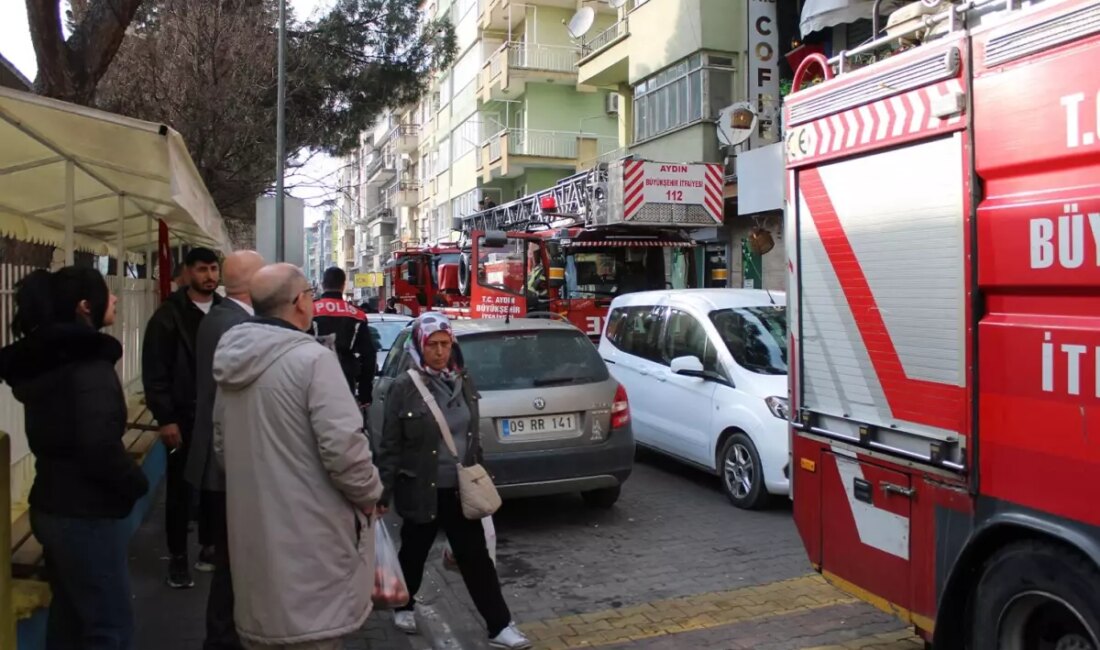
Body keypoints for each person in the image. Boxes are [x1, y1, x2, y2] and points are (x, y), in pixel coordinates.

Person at [212, 263, 383, 650]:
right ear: (299, 303)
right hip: (311, 550)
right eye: (307, 292)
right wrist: (371, 494)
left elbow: (221, 446)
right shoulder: (313, 361)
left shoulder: (230, 360)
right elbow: (346, 451)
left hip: (253, 545)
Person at [0, 267, 149, 649]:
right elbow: (97, 445)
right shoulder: (88, 368)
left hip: (51, 504)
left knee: (69, 621)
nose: (114, 298)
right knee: (109, 627)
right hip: (86, 513)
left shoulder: (49, 364)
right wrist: (134, 482)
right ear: (85, 306)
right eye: (106, 293)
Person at [377, 312, 531, 650]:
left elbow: (473, 437)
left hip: (460, 489)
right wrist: (381, 492)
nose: (440, 351)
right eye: (432, 344)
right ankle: (404, 603)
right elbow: (390, 444)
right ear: (420, 345)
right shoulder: (405, 386)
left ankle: (499, 626)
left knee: (475, 558)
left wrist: (480, 475)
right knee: (415, 551)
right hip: (421, 488)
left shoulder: (463, 380)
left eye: (446, 344)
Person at [187, 250, 265, 650]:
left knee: (231, 563)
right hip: (226, 464)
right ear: (252, 283)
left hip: (220, 459)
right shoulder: (234, 325)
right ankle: (222, 639)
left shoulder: (222, 318)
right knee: (232, 565)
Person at [142, 246, 222, 589]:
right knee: (180, 488)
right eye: (202, 269)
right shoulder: (168, 316)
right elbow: (155, 371)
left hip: (219, 415)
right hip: (184, 416)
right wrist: (166, 418)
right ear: (188, 272)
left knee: (214, 488)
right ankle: (178, 557)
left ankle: (209, 546)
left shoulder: (225, 311)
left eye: (214, 269)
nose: (210, 276)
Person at [313, 267, 377, 407]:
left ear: (323, 285)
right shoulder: (357, 314)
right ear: (343, 285)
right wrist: (365, 393)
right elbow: (369, 355)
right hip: (345, 379)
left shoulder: (311, 310)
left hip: (314, 376)